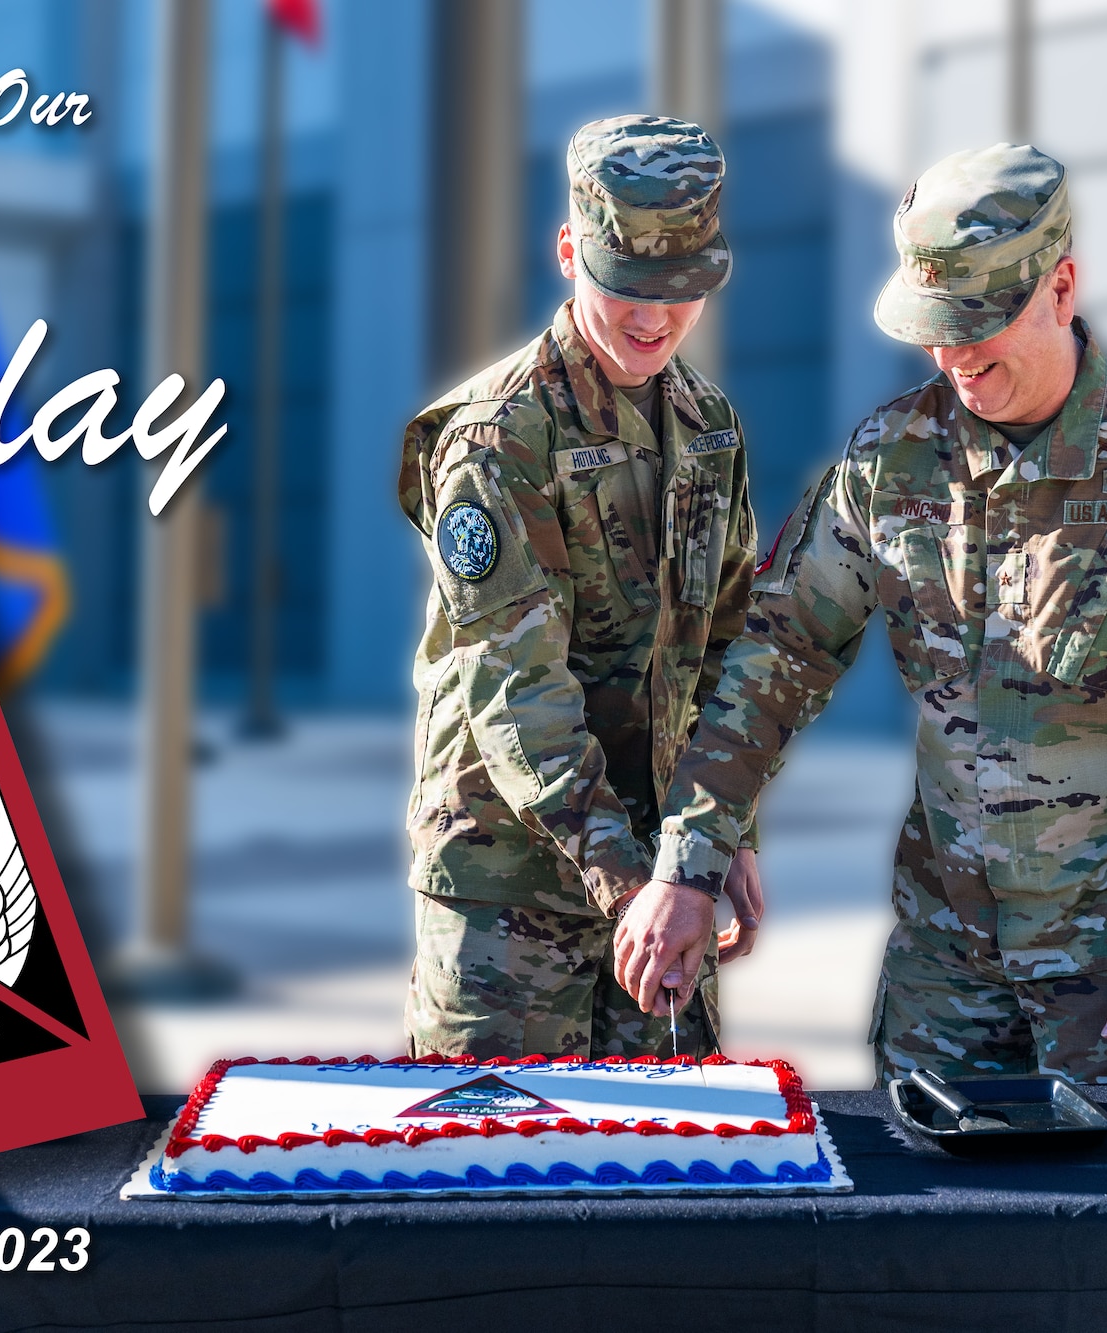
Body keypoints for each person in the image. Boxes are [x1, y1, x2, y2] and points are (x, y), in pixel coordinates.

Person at [615, 143, 1107, 1124]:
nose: (953, 355)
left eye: (979, 323)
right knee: (928, 1245)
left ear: (1061, 285)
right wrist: (689, 864)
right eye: (933, 328)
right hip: (942, 968)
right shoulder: (888, 461)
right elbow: (775, 657)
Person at [397, 115, 765, 1060]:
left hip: (659, 884)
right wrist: (633, 880)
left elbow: (731, 646)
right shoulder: (499, 436)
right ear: (568, 253)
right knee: (494, 1179)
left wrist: (719, 836)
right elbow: (519, 693)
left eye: (681, 289)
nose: (654, 317)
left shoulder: (707, 422)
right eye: (626, 285)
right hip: (509, 898)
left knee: (668, 1175)